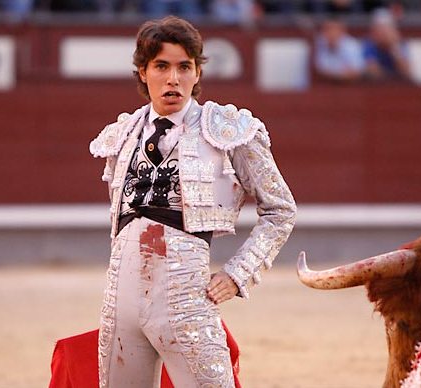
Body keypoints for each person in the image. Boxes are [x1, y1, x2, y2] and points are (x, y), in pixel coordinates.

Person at [89, 16, 296, 387]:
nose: (174, 79)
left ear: (198, 73)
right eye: (162, 67)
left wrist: (238, 273)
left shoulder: (228, 131)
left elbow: (280, 209)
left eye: (185, 67)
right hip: (120, 301)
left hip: (186, 300)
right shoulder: (121, 136)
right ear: (142, 72)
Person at [362, 8, 411, 82]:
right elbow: (373, 73)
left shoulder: (400, 43)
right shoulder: (368, 44)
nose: (383, 33)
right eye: (379, 29)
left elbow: (407, 73)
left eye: (386, 29)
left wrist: (394, 48)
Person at [314, 17, 365, 82]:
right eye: (326, 30)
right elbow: (320, 69)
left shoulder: (352, 46)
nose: (329, 33)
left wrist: (335, 75)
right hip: (328, 85)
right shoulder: (320, 42)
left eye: (333, 29)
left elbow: (357, 72)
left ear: (342, 31)